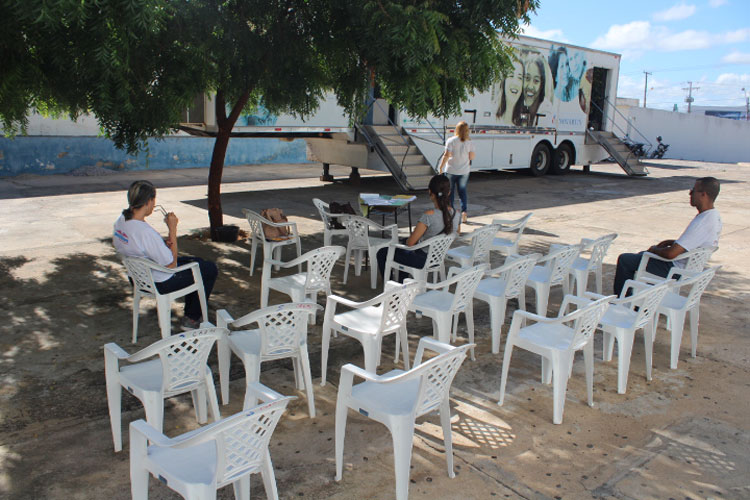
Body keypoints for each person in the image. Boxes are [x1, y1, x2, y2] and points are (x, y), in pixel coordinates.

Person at [113, 180, 218, 330]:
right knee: (209, 269)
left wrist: (162, 244)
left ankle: (193, 311)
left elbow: (135, 246)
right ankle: (192, 318)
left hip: (137, 276)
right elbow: (171, 264)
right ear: (149, 202)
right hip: (160, 282)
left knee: (197, 261)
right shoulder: (145, 232)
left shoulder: (121, 221)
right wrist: (172, 230)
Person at [613, 177, 722, 296]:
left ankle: (622, 302)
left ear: (703, 195)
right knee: (640, 256)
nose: (690, 193)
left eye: (693, 190)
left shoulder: (702, 221)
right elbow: (696, 241)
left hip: (675, 268)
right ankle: (640, 298)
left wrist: (654, 249)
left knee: (625, 260)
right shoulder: (713, 216)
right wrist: (672, 242)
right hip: (687, 266)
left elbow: (670, 254)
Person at [376, 174, 461, 281]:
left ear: (430, 193)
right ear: (449, 193)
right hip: (438, 258)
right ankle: (401, 283)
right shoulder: (456, 214)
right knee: (403, 251)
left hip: (422, 260)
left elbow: (410, 243)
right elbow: (456, 233)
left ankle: (391, 284)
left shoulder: (428, 215)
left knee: (383, 252)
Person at [438, 121, 475, 223]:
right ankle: (464, 213)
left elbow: (446, 155)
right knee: (462, 192)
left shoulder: (451, 140)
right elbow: (472, 157)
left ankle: (451, 214)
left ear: (456, 129)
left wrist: (440, 167)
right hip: (464, 171)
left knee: (450, 193)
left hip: (451, 170)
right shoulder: (470, 142)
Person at [495, 59, 524, 126]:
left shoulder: (521, 124)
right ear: (504, 81)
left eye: (519, 78)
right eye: (511, 76)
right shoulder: (494, 118)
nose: (515, 83)